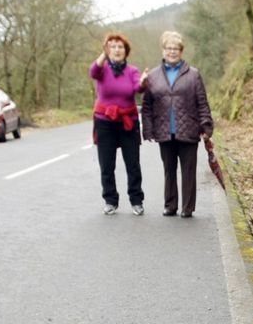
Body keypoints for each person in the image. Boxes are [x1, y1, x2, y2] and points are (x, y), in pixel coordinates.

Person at [140, 31, 214, 218]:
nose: (172, 52)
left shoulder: (194, 75)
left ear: (181, 51)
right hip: (164, 130)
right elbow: (147, 106)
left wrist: (206, 125)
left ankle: (187, 208)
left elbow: (202, 102)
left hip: (189, 129)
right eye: (169, 48)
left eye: (176, 48)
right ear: (163, 50)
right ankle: (170, 205)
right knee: (168, 169)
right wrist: (147, 129)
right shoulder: (153, 76)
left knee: (188, 171)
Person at [90, 33, 145, 215]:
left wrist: (143, 82)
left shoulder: (132, 71)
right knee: (107, 165)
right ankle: (110, 200)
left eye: (120, 47)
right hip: (105, 122)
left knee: (133, 164)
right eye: (112, 47)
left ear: (126, 51)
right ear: (107, 50)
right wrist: (103, 55)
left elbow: (138, 88)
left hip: (127, 121)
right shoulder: (102, 69)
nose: (117, 50)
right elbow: (93, 71)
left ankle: (136, 200)